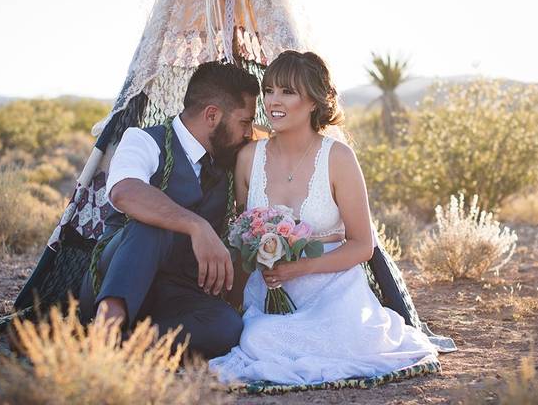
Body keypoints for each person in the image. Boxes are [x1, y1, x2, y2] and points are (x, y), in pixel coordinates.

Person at [209, 50, 441, 384]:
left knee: (357, 339)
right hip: (271, 290)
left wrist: (300, 267)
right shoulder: (248, 157)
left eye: (288, 92)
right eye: (270, 90)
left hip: (333, 288)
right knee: (256, 339)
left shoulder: (338, 158)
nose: (274, 100)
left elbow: (363, 245)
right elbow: (245, 235)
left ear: (314, 101)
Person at [78, 60, 259, 359]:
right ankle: (106, 329)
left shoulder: (229, 161)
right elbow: (125, 192)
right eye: (244, 122)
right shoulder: (143, 140)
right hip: (114, 281)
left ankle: (124, 347)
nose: (250, 132)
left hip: (175, 294)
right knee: (150, 223)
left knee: (227, 327)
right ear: (212, 115)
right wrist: (196, 225)